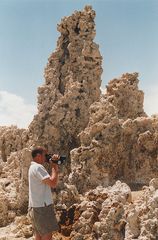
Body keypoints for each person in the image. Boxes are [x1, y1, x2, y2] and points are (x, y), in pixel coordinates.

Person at [28, 146, 59, 240]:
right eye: (45, 155)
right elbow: (53, 183)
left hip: (35, 206)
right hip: (43, 207)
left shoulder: (32, 167)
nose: (47, 157)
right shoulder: (38, 167)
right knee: (47, 235)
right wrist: (54, 167)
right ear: (38, 156)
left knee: (39, 235)